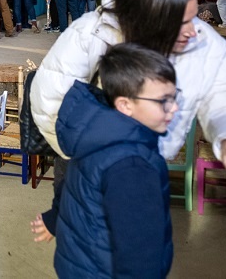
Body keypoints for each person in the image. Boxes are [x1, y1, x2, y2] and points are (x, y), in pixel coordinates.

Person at [30, 0, 226, 238]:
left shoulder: (199, 41)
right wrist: (94, 154)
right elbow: (49, 101)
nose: (194, 30)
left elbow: (225, 90)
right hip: (84, 161)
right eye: (182, 23)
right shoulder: (91, 34)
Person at [33, 44, 177, 279]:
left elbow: (72, 184)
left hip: (78, 264)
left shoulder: (95, 131)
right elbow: (139, 255)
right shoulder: (134, 167)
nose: (174, 108)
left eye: (174, 96)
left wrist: (55, 218)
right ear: (125, 105)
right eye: (164, 101)